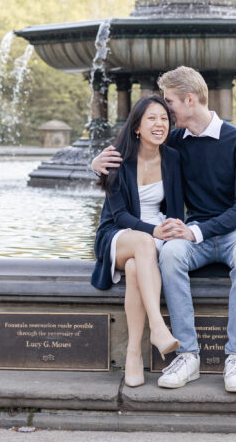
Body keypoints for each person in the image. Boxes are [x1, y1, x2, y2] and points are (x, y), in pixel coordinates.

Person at [92, 66, 236, 394]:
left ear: (188, 100)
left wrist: (195, 232)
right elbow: (132, 148)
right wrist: (95, 163)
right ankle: (187, 355)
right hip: (192, 229)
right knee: (169, 253)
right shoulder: (176, 140)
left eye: (169, 104)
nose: (164, 113)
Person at [90, 94, 185, 387]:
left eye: (164, 119)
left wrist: (170, 229)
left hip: (154, 234)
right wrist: (152, 232)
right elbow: (119, 216)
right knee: (142, 244)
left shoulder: (172, 157)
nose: (159, 124)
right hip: (118, 234)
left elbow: (176, 209)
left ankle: (133, 355)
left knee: (134, 269)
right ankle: (158, 327)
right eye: (152, 118)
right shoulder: (117, 158)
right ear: (136, 127)